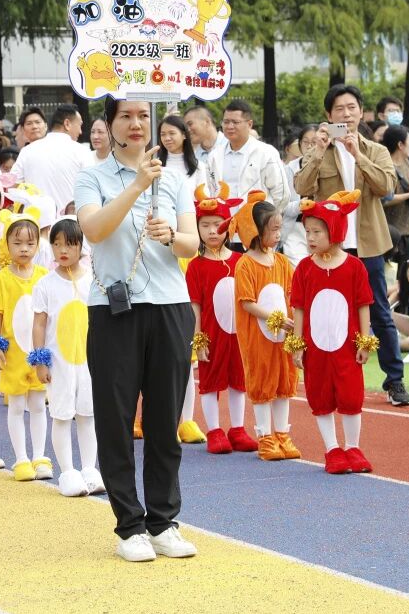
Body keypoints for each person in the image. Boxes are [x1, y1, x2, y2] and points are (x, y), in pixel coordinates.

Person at [74, 98, 200, 563]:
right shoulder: (92, 177)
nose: (135, 124)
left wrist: (172, 236)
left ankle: (163, 522)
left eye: (143, 116)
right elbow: (94, 229)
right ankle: (129, 526)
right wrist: (137, 185)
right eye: (125, 116)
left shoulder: (177, 180)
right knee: (115, 418)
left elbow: (191, 244)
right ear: (109, 124)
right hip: (114, 310)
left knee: (165, 420)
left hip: (169, 306)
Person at [294, 85, 409, 406]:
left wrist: (358, 156)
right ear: (328, 115)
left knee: (379, 311)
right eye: (339, 109)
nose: (346, 114)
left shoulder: (376, 150)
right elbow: (301, 186)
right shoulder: (319, 150)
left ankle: (395, 380)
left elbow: (386, 187)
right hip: (332, 247)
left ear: (361, 112)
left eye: (351, 108)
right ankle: (328, 378)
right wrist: (318, 151)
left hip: (368, 243)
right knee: (327, 311)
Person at [288, 192, 377, 475]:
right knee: (320, 395)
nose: (310, 238)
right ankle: (332, 449)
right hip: (315, 348)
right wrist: (297, 344)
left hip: (347, 346)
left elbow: (363, 305)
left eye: (317, 231)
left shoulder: (354, 267)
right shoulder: (304, 268)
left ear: (335, 230)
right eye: (308, 232)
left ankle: (353, 447)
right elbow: (299, 308)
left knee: (351, 396)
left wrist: (364, 341)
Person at [31, 217, 103, 497]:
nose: (63, 250)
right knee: (61, 415)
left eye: (70, 244)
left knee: (88, 415)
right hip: (58, 362)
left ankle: (89, 469)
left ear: (81, 246)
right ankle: (68, 472)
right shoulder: (45, 284)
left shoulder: (93, 279)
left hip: (89, 361)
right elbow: (39, 324)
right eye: (57, 244)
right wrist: (40, 361)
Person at [186, 184, 256, 454]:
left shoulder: (242, 261)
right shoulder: (196, 266)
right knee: (210, 380)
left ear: (229, 225)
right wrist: (198, 338)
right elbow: (195, 306)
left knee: (239, 379)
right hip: (211, 333)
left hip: (239, 334)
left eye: (218, 224)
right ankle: (214, 430)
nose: (212, 231)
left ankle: (237, 429)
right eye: (205, 226)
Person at [232, 195, 301, 462]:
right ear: (256, 231)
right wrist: (275, 317)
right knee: (262, 382)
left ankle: (283, 434)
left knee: (283, 381)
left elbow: (291, 295)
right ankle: (265, 436)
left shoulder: (282, 262)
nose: (278, 234)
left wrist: (292, 323)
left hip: (282, 337)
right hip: (257, 338)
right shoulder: (246, 264)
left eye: (279, 229)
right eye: (273, 229)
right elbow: (247, 303)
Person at [0, 213, 49, 482]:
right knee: (15, 405)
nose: (24, 249)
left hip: (38, 353)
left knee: (38, 404)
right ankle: (22, 458)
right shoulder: (1, 278)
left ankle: (40, 457)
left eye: (30, 243)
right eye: (17, 243)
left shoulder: (44, 277)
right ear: (7, 245)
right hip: (12, 353)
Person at [201, 99, 289, 212]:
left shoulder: (266, 153)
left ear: (249, 124)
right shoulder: (214, 156)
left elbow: (281, 194)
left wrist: (268, 218)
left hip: (257, 219)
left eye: (235, 122)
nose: (230, 126)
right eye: (226, 122)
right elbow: (210, 190)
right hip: (223, 219)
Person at [13, 104, 95, 215]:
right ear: (67, 124)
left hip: (36, 221)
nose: (80, 131)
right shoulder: (82, 151)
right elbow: (91, 191)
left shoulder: (27, 151)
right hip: (71, 222)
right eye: (79, 125)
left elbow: (12, 186)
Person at [381, 125, 409, 279]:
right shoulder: (387, 168)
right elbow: (385, 199)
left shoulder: (406, 162)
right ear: (400, 145)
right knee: (397, 277)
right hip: (397, 234)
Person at [282, 126, 319, 266]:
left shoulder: (328, 166)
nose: (309, 146)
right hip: (296, 227)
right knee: (299, 266)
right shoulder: (289, 169)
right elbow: (283, 205)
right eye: (306, 142)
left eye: (314, 142)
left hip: (322, 227)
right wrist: (300, 205)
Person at [159, 114, 202, 190]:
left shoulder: (198, 166)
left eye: (172, 133)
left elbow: (203, 195)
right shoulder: (155, 166)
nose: (167, 138)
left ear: (184, 135)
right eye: (163, 134)